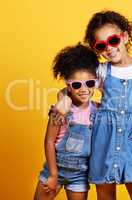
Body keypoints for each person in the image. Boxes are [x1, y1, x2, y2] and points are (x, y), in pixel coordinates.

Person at [83, 10, 132, 200]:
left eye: (113, 41)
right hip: (103, 146)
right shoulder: (101, 71)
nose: (109, 48)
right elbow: (78, 93)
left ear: (125, 37)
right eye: (101, 46)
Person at [34, 43, 99, 200]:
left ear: (96, 82)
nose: (84, 89)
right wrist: (53, 174)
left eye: (89, 83)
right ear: (68, 86)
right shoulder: (60, 110)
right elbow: (49, 141)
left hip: (80, 175)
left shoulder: (98, 110)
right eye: (77, 85)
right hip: (54, 168)